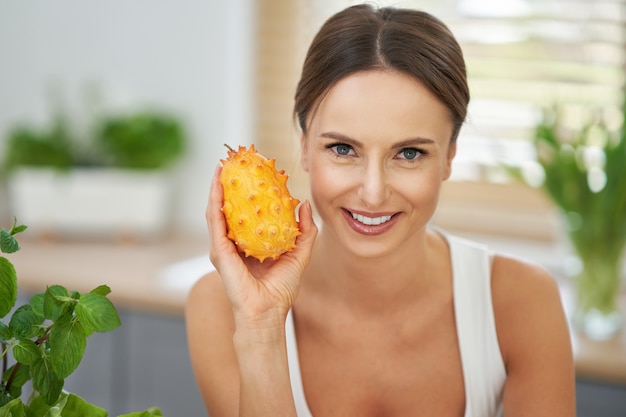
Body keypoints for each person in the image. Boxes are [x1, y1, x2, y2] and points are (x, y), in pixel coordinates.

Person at [186, 4, 576, 417]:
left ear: (449, 157)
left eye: (409, 153)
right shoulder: (224, 307)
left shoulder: (521, 302)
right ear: (303, 147)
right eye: (343, 149)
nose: (372, 194)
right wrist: (262, 330)